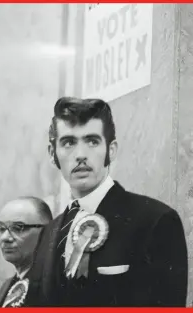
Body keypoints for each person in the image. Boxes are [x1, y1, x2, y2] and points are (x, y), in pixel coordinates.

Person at [33, 97, 188, 307]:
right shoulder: (47, 233)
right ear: (53, 155)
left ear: (111, 150)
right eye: (69, 142)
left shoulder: (155, 221)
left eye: (92, 141)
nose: (80, 155)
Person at [0, 196, 52, 307]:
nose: (5, 237)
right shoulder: (7, 286)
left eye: (18, 228)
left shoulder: (54, 287)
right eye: (1, 228)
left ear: (47, 232)